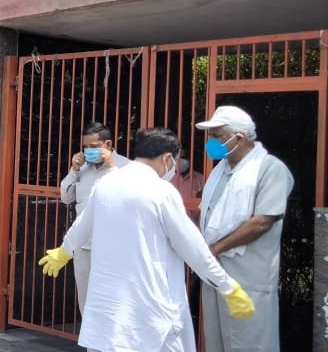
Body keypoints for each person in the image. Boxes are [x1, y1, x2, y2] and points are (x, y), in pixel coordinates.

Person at [39, 128, 255, 352]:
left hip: (107, 318)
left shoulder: (106, 184)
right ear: (168, 158)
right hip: (150, 316)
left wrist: (63, 251)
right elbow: (194, 250)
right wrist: (228, 287)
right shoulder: (161, 192)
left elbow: (81, 226)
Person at [196, 106, 293, 352]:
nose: (210, 143)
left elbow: (261, 222)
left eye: (216, 136)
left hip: (248, 278)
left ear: (238, 138)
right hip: (216, 275)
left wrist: (214, 249)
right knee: (216, 343)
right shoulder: (220, 171)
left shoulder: (270, 168)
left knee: (249, 344)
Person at [57, 122, 130, 311]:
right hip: (84, 247)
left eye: (94, 146)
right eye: (85, 147)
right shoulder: (82, 169)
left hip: (113, 248)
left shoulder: (126, 167)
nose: (88, 151)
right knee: (86, 300)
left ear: (108, 144)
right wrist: (73, 170)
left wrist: (112, 166)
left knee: (112, 301)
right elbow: (66, 197)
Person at [171, 152, 205, 221]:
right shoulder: (169, 178)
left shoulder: (201, 179)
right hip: (172, 222)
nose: (179, 160)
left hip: (193, 224)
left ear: (190, 159)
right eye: (177, 158)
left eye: (183, 157)